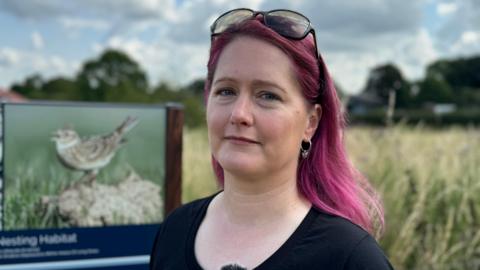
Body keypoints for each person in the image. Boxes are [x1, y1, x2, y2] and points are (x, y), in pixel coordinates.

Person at [150, 8, 394, 270]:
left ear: (310, 122)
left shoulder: (350, 258)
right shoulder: (175, 231)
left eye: (267, 95)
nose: (239, 114)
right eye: (226, 91)